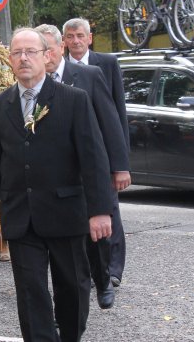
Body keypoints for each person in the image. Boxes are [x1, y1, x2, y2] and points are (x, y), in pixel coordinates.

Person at [0, 28, 113, 342]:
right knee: (30, 291)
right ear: (10, 59)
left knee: (73, 288)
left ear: (46, 56)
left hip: (65, 212)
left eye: (30, 52)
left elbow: (93, 158)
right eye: (17, 53)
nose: (23, 58)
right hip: (20, 216)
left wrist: (100, 211)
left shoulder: (73, 100)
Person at [37, 23, 130, 310]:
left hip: (89, 167)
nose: (44, 56)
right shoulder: (34, 84)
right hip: (56, 172)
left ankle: (104, 281)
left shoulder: (89, 75)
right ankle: (70, 293)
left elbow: (111, 121)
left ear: (59, 48)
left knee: (98, 232)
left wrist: (120, 166)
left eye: (47, 50)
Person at [63, 18, 129, 288]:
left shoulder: (107, 63)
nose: (76, 41)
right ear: (64, 40)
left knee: (109, 208)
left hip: (102, 151)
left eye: (80, 36)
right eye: (70, 36)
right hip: (73, 155)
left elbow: (116, 114)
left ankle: (113, 268)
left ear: (90, 38)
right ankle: (89, 269)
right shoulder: (59, 68)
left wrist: (120, 163)